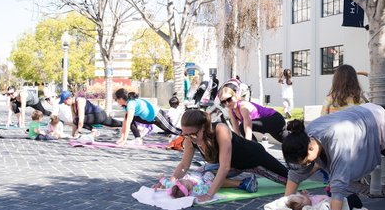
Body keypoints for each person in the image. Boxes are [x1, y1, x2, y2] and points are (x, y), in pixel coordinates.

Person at [153, 109, 289, 202]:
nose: (189, 138)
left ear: (203, 128)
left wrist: (209, 194)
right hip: (233, 166)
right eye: (185, 134)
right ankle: (244, 183)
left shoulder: (220, 130)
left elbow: (224, 167)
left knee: (290, 180)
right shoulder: (189, 139)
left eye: (192, 134)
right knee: (199, 176)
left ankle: (308, 167)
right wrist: (170, 183)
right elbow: (184, 165)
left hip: (254, 159)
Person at [218, 86, 286, 143]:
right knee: (286, 141)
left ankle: (255, 151)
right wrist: (236, 143)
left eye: (229, 99)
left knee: (242, 127)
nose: (227, 103)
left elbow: (248, 128)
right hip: (267, 122)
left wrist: (248, 147)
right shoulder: (231, 110)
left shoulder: (243, 106)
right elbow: (236, 129)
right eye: (223, 102)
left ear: (235, 96)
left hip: (275, 119)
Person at [114, 88, 181, 146]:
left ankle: (187, 135)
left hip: (157, 115)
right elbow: (125, 122)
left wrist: (124, 140)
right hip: (148, 118)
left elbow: (128, 123)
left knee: (172, 130)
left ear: (121, 98)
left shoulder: (131, 104)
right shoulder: (126, 105)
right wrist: (121, 138)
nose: (116, 101)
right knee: (128, 119)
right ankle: (138, 139)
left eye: (116, 99)